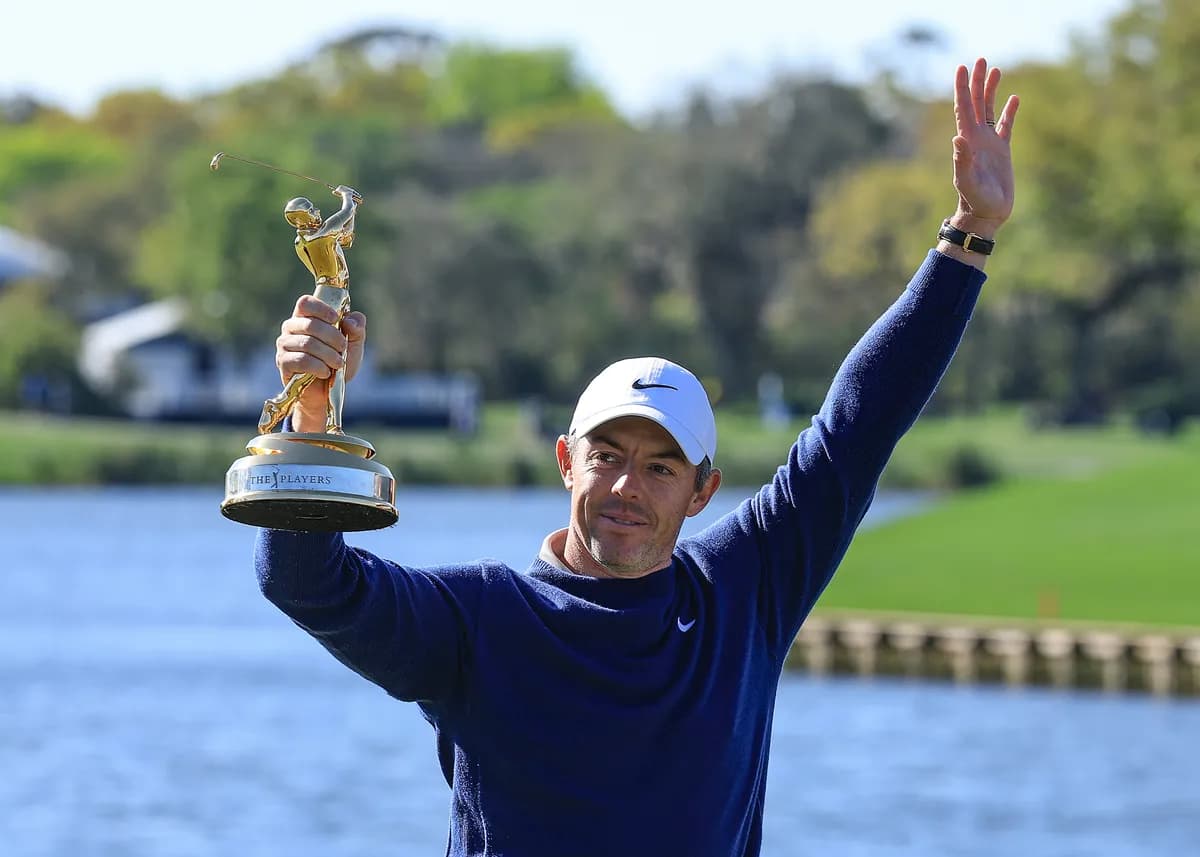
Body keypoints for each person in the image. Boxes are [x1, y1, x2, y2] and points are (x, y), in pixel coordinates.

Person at [256, 58, 1019, 856]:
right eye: (608, 454)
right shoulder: (481, 621)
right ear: (566, 461)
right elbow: (303, 580)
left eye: (660, 468)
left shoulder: (744, 592)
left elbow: (858, 425)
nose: (627, 485)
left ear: (702, 491)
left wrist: (969, 234)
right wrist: (310, 413)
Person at [258, 184, 361, 435]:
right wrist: (347, 197)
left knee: (335, 366)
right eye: (311, 210)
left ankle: (326, 420)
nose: (317, 212)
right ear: (302, 219)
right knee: (333, 364)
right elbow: (343, 215)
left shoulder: (310, 238)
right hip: (331, 294)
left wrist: (353, 207)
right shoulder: (317, 236)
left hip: (337, 294)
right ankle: (303, 411)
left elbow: (347, 236)